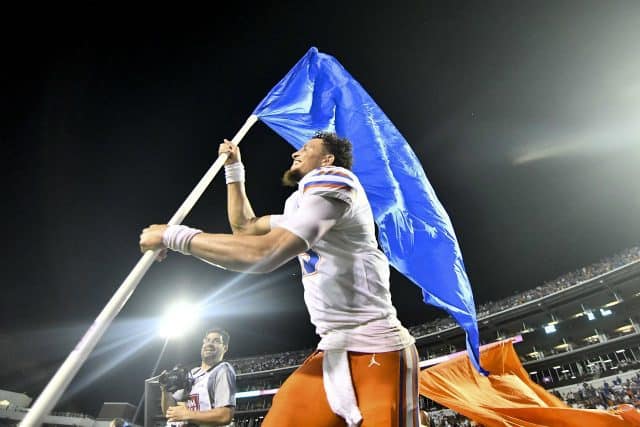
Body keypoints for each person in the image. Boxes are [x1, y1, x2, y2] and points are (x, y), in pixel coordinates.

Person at [140, 131, 419, 427]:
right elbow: (244, 228)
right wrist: (234, 169)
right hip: (332, 350)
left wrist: (173, 235)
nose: (295, 154)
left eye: (306, 148)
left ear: (327, 159)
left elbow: (265, 253)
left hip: (378, 346)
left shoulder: (334, 179)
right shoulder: (300, 204)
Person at [160, 328, 236, 427]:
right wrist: (165, 389)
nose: (210, 344)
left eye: (216, 341)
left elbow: (225, 416)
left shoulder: (223, 370)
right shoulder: (192, 372)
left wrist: (187, 414)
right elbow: (169, 412)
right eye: (207, 340)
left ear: (225, 348)